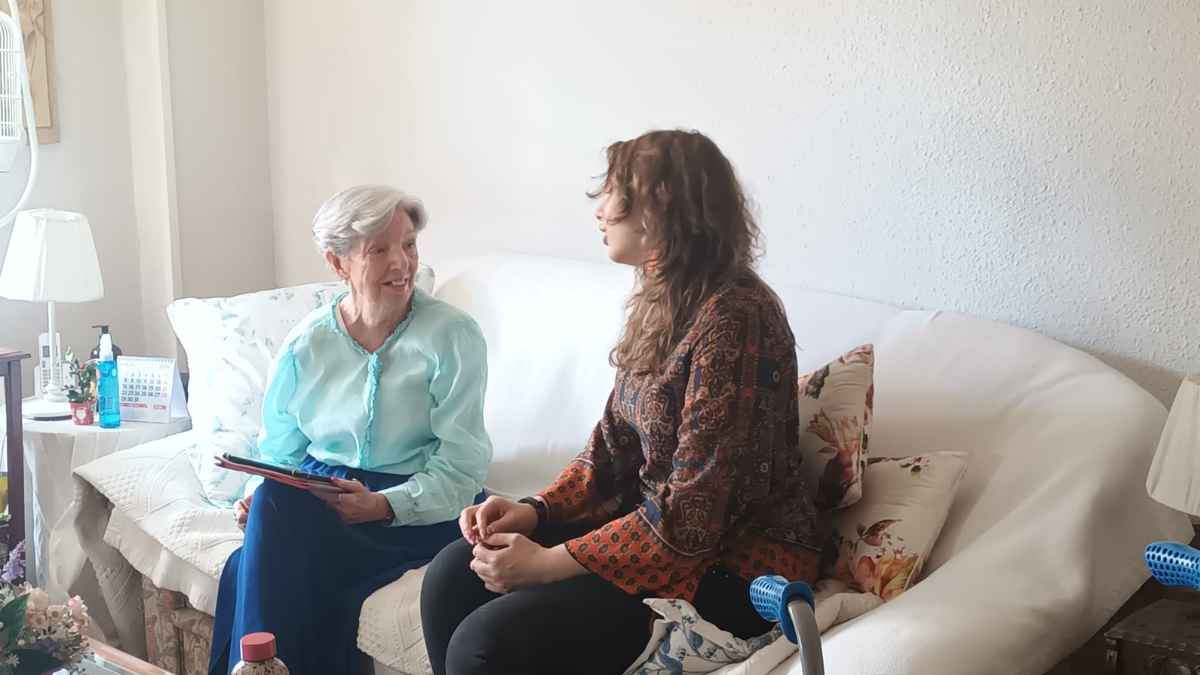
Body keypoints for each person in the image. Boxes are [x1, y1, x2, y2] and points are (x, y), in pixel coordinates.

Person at [420, 130, 824, 675]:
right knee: (450, 575)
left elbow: (692, 519)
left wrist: (545, 565)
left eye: (614, 192)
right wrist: (533, 512)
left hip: (729, 571)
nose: (600, 210)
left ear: (660, 210)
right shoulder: (662, 301)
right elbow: (611, 450)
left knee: (485, 643)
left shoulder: (736, 319)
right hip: (656, 537)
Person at [209, 185, 492, 675]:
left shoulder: (453, 335)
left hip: (420, 504)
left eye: (408, 245)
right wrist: (261, 495)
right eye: (378, 250)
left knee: (253, 561)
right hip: (323, 493)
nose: (401, 263)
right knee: (274, 506)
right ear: (338, 264)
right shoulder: (306, 345)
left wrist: (385, 505)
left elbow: (463, 468)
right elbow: (281, 452)